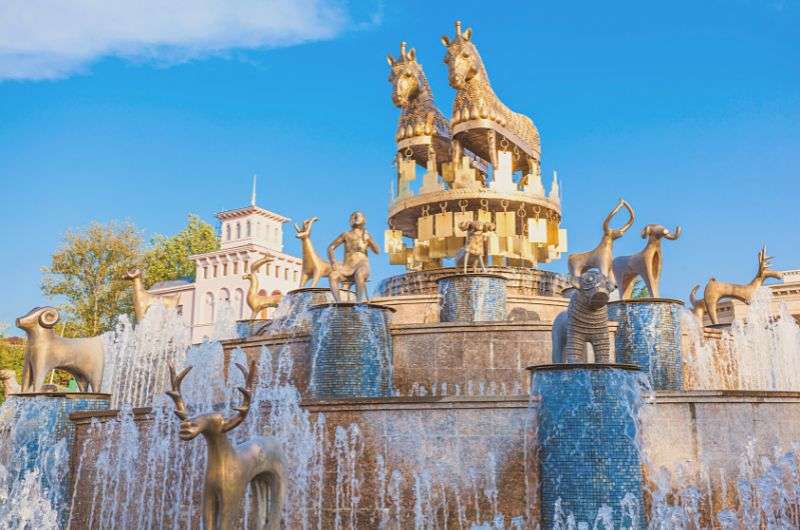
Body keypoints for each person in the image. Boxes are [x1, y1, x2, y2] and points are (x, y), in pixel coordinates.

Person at [327, 211, 380, 302]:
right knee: (333, 275)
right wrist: (333, 262)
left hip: (361, 266)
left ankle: (358, 303)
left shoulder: (366, 235)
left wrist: (369, 241)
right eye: (353, 216)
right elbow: (330, 248)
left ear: (364, 220)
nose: (355, 217)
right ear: (350, 221)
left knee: (359, 274)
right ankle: (338, 303)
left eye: (359, 216)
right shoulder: (345, 234)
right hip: (347, 268)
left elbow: (377, 251)